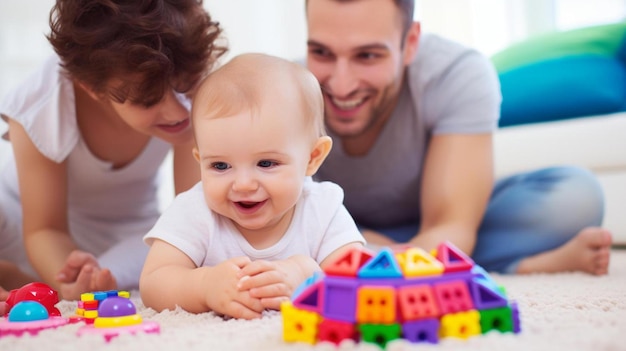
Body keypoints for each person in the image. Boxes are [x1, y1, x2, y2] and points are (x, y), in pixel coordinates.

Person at [305, 0, 613, 275]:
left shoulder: (457, 73)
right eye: (321, 52)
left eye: (368, 56)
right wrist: (350, 236)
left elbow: (450, 227)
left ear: (410, 42)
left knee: (574, 196)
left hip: (437, 225)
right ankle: (512, 264)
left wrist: (362, 249)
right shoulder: (288, 91)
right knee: (286, 234)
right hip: (335, 227)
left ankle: (352, 256)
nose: (341, 85)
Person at [0, 0, 226, 301]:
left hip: (129, 234)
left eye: (186, 85)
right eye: (148, 100)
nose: (178, 110)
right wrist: (71, 275)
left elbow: (196, 213)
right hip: (27, 226)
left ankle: (33, 280)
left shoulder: (199, 87)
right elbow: (44, 230)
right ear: (91, 88)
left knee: (178, 249)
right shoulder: (40, 105)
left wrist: (94, 275)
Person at [139, 53, 365, 320]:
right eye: (220, 166)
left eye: (266, 163)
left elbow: (360, 281)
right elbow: (153, 281)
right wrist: (204, 286)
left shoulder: (322, 208)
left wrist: (306, 275)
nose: (243, 184)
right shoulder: (195, 210)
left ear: (312, 158)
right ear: (200, 160)